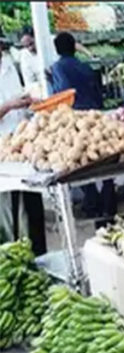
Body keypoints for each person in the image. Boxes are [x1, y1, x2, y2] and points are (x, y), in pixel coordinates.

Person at [51, 32, 115, 220]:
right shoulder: (86, 66)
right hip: (95, 117)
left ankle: (92, 203)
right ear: (74, 47)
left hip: (75, 120)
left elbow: (61, 93)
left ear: (57, 50)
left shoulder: (58, 68)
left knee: (81, 162)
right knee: (105, 159)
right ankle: (109, 202)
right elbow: (98, 92)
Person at [0, 39, 46, 254]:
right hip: (3, 152)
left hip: (23, 145)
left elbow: (19, 99)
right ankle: (12, 255)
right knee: (9, 211)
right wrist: (8, 106)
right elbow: (9, 104)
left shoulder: (10, 66)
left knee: (32, 204)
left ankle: (39, 254)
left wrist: (30, 105)